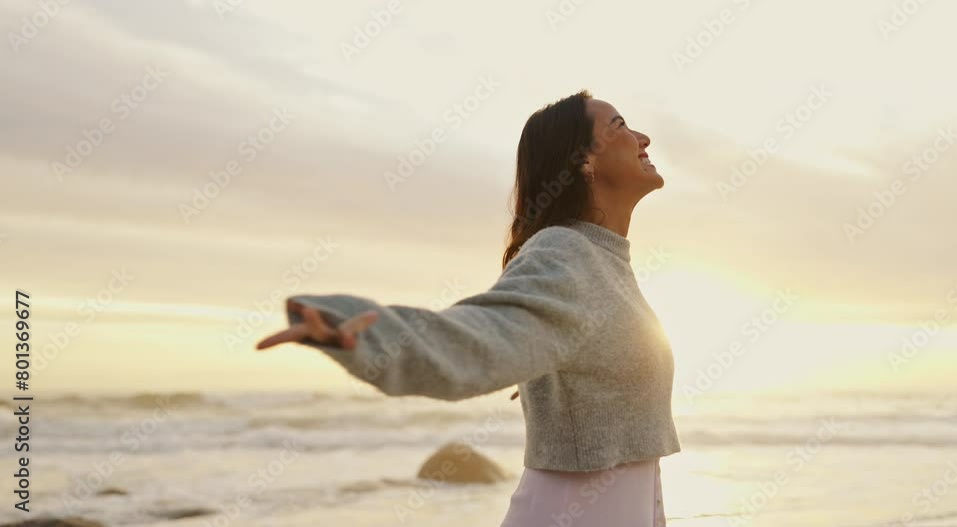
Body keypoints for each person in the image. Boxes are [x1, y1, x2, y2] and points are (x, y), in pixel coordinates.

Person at [257, 90, 681, 526]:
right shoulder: (566, 251)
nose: (642, 137)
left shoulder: (606, 261)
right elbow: (477, 336)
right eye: (620, 126)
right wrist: (360, 330)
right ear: (583, 161)